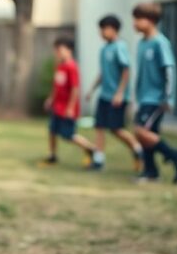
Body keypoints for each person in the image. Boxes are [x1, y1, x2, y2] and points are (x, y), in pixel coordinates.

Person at [131, 2, 177, 184]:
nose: (134, 23)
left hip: (156, 99)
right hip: (144, 98)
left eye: (138, 19)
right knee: (147, 135)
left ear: (150, 21)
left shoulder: (160, 42)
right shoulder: (142, 43)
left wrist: (167, 97)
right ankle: (151, 172)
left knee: (140, 131)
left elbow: (169, 70)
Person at [84, 15, 143, 172]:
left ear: (113, 29)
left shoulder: (120, 47)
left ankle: (138, 149)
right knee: (99, 127)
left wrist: (120, 92)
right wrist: (91, 89)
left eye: (104, 29)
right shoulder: (104, 49)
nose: (101, 33)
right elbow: (103, 73)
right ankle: (98, 160)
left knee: (116, 129)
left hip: (117, 98)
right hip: (104, 95)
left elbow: (126, 70)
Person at [42, 38, 98, 167]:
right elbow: (57, 86)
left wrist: (71, 107)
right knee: (52, 131)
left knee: (68, 135)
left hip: (67, 108)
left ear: (69, 50)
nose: (57, 53)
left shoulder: (72, 67)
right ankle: (52, 156)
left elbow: (75, 88)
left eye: (60, 50)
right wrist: (51, 99)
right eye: (56, 50)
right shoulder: (60, 66)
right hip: (57, 106)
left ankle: (91, 149)